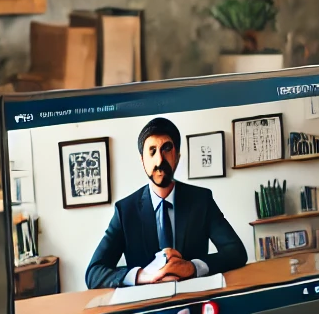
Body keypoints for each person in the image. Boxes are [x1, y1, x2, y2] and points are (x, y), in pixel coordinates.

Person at [85, 117, 248, 289]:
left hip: (194, 299)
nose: (159, 160)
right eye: (152, 151)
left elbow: (236, 252)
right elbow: (94, 273)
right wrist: (143, 275)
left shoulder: (201, 200)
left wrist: (192, 267)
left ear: (177, 156)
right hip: (147, 306)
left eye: (166, 149)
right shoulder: (125, 210)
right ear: (142, 160)